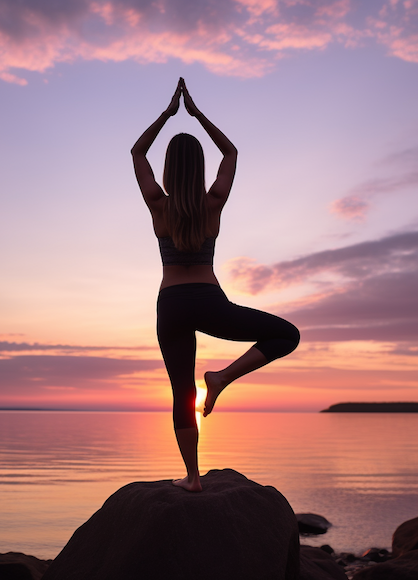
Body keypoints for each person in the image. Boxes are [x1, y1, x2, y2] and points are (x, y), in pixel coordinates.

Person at [131, 78, 300, 492]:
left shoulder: (157, 204)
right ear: (199, 168)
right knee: (287, 335)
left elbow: (137, 152)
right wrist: (197, 114)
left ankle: (192, 477)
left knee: (181, 391)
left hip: (171, 304)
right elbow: (231, 152)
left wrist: (168, 114)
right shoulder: (214, 202)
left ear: (168, 168)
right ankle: (223, 378)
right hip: (209, 301)